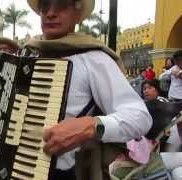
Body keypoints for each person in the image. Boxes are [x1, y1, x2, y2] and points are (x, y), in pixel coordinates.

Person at [24, 0, 152, 179]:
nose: (51, 13)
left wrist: (90, 126)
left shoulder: (94, 58)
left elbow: (139, 117)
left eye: (61, 5)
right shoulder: (24, 56)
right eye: (45, 5)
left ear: (77, 15)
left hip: (60, 173)